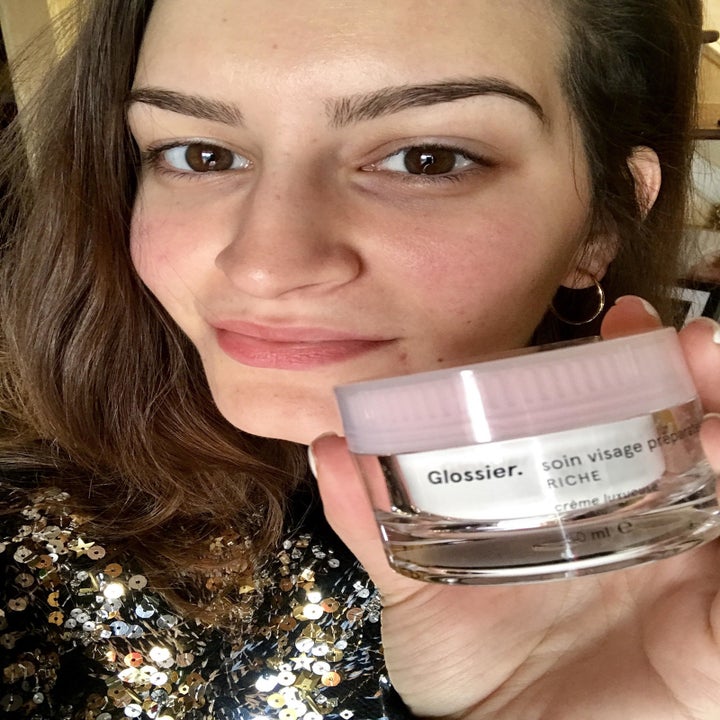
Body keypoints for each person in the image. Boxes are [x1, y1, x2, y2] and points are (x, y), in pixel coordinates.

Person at [0, 0, 719, 718]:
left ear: (602, 221)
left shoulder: (673, 552)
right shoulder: (29, 547)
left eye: (426, 159)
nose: (265, 264)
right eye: (200, 155)